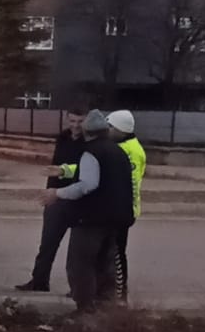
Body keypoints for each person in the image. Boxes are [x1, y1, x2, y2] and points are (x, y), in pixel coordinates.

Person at [41, 110, 133, 313]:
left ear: (87, 131)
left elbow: (87, 185)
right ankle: (106, 309)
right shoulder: (118, 151)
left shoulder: (91, 152)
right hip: (116, 218)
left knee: (80, 264)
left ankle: (85, 309)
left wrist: (57, 193)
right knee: (104, 264)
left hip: (91, 218)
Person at [16, 105, 87, 292]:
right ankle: (39, 281)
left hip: (80, 197)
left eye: (80, 121)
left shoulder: (90, 142)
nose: (76, 125)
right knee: (47, 243)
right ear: (67, 119)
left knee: (79, 250)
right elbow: (54, 167)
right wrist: (50, 192)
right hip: (56, 196)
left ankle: (79, 288)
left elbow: (86, 172)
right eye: (72, 121)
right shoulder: (62, 138)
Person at [107, 110, 146, 301]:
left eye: (111, 127)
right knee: (106, 251)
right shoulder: (121, 146)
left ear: (121, 130)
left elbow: (130, 182)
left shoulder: (132, 151)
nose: (108, 130)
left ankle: (121, 293)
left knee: (117, 253)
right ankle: (104, 288)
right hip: (114, 207)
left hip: (123, 209)